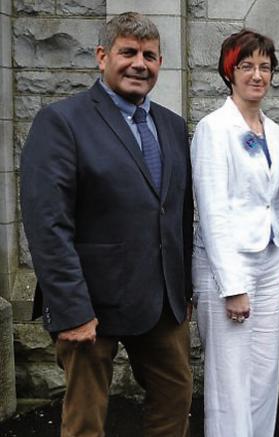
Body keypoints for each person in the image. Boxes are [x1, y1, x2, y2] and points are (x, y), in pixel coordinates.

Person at [20, 12, 193, 436]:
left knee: (175, 399)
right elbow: (47, 224)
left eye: (150, 55)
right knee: (85, 421)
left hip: (161, 303)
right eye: (128, 52)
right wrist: (72, 309)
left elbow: (179, 213)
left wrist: (182, 287)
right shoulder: (62, 121)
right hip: (90, 305)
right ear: (102, 56)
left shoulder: (171, 125)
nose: (140, 63)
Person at [191, 30, 279, 436]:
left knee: (263, 374)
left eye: (265, 67)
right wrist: (232, 286)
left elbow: (276, 204)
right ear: (229, 71)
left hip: (269, 264)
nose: (258, 75)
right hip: (226, 268)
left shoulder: (273, 130)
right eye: (247, 66)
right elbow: (212, 212)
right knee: (229, 380)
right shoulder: (213, 128)